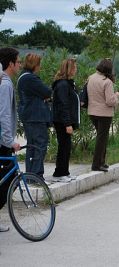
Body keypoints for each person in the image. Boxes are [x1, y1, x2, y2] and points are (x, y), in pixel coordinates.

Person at [17, 53, 52, 179]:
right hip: (35, 116)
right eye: (38, 64)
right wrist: (45, 96)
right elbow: (47, 92)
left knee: (32, 145)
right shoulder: (31, 78)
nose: (40, 67)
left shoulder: (22, 76)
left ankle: (30, 175)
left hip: (28, 116)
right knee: (40, 145)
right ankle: (36, 174)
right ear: (34, 65)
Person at [0, 48, 21, 232]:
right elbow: (4, 115)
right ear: (10, 64)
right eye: (18, 61)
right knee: (10, 176)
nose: (20, 64)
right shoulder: (5, 84)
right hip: (1, 141)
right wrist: (9, 141)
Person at [87, 58, 119, 172]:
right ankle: (97, 164)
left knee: (101, 138)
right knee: (102, 139)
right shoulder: (107, 82)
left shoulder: (91, 78)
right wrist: (116, 96)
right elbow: (110, 101)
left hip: (92, 111)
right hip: (104, 113)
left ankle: (101, 162)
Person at [51, 58, 80, 182]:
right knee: (64, 147)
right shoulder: (62, 84)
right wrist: (67, 123)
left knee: (66, 147)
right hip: (62, 121)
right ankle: (59, 173)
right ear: (69, 69)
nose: (76, 69)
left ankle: (65, 172)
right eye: (74, 67)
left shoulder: (68, 83)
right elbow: (63, 105)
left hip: (65, 121)